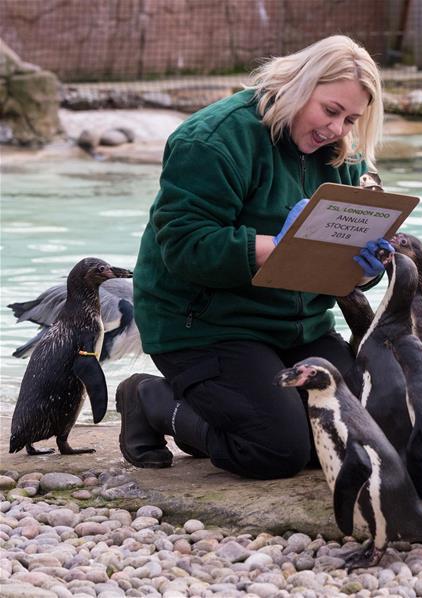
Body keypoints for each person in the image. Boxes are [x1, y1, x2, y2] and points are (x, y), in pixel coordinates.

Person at [117, 35, 390, 480]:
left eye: (351, 119)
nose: (337, 130)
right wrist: (275, 247)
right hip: (206, 325)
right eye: (330, 110)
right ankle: (152, 399)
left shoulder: (342, 152)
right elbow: (184, 247)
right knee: (276, 449)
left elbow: (342, 265)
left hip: (298, 326)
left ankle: (223, 411)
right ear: (299, 86)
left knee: (359, 435)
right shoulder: (212, 139)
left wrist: (365, 268)